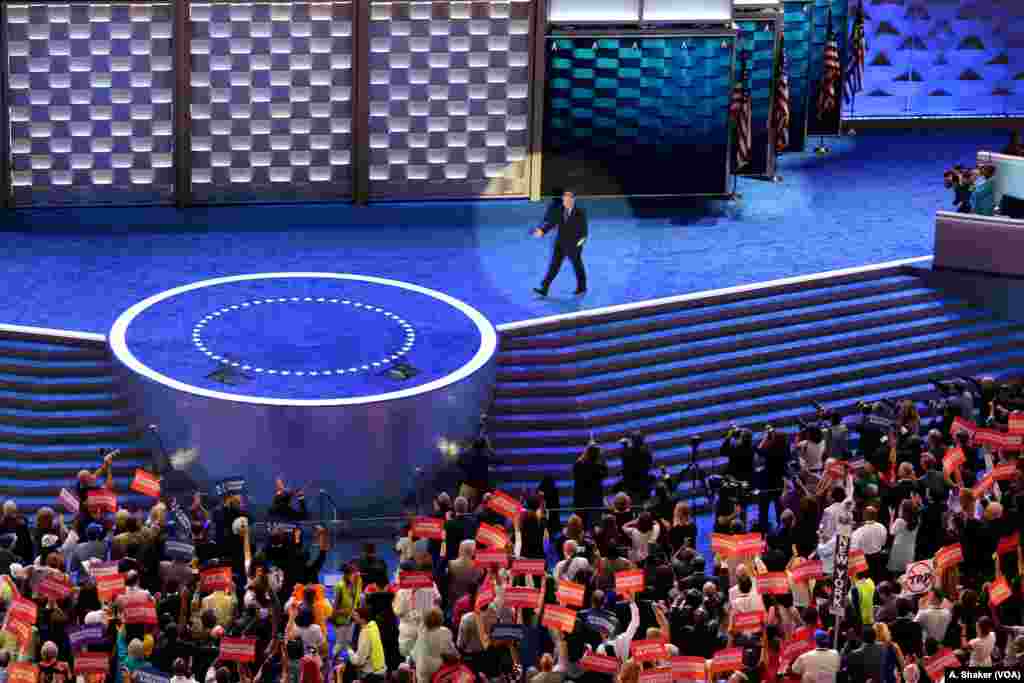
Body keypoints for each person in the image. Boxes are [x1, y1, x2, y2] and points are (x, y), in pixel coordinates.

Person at [532, 190, 588, 296]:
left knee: (578, 267)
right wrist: (542, 231)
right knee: (554, 266)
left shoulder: (580, 212)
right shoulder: (560, 210)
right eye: (564, 199)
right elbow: (552, 222)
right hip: (560, 245)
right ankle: (544, 289)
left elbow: (584, 233)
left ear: (573, 200)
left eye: (568, 199)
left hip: (574, 247)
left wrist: (578, 246)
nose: (565, 202)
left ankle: (582, 287)